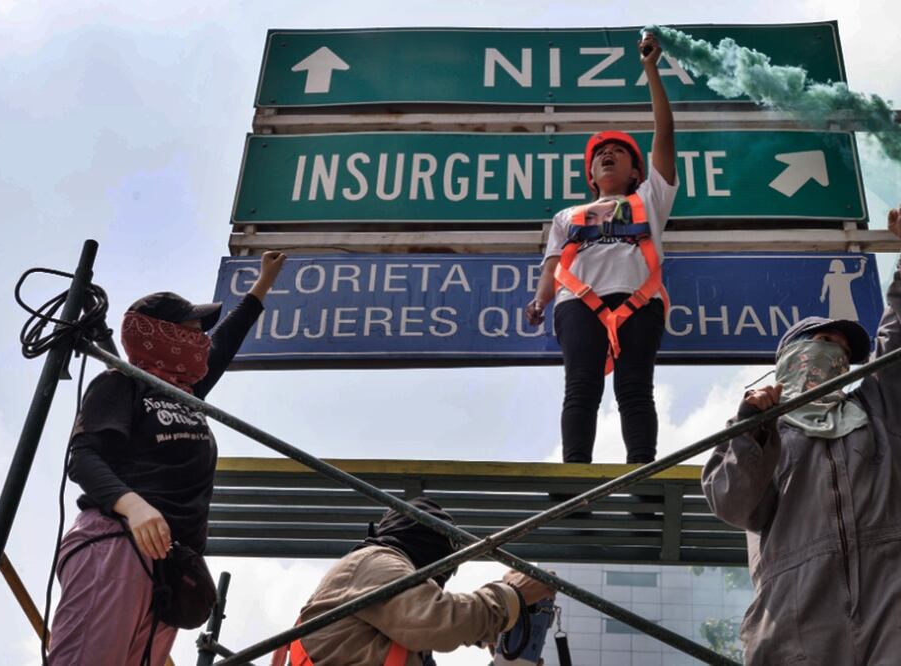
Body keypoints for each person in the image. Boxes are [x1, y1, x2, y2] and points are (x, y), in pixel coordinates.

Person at [702, 203, 901, 664]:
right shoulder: (763, 429)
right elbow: (732, 502)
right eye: (823, 344)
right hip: (797, 605)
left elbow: (900, 342)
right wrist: (751, 429)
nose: (835, 358)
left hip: (896, 590)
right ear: (789, 360)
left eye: (844, 353)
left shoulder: (875, 411)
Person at [47, 251, 286, 666]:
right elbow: (83, 457)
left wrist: (264, 283)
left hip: (170, 564)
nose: (201, 342)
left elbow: (227, 340)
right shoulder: (121, 383)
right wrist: (133, 506)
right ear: (162, 335)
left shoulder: (187, 392)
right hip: (119, 541)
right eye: (192, 331)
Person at [525, 32, 678, 465]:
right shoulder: (567, 216)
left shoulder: (649, 199)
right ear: (591, 174)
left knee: (634, 388)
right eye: (601, 154)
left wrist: (651, 70)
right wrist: (540, 299)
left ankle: (642, 476)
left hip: (639, 301)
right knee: (581, 386)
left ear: (636, 172)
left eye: (619, 153)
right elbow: (553, 263)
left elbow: (664, 134)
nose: (608, 156)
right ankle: (575, 480)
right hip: (578, 303)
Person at [281, 497, 555, 666]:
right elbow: (442, 622)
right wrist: (510, 596)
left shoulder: (399, 630)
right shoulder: (374, 561)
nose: (438, 586)